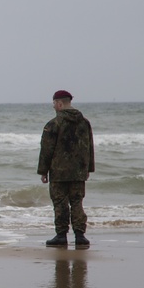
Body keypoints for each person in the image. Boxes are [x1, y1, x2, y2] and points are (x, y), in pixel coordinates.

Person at [38, 90, 95, 247]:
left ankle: (61, 235)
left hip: (59, 172)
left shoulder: (53, 124)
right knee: (77, 202)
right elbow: (89, 147)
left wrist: (43, 171)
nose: (54, 107)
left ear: (59, 103)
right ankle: (80, 236)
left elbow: (46, 150)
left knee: (60, 203)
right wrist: (89, 169)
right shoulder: (84, 122)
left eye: (54, 104)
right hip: (79, 171)